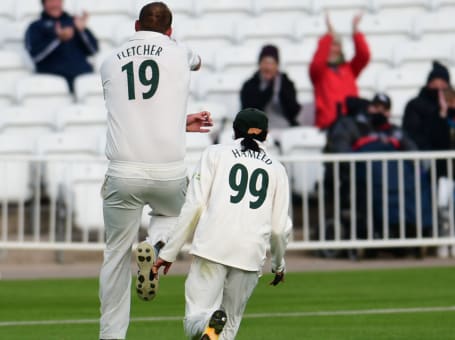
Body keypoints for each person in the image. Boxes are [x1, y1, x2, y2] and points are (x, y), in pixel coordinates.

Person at [98, 3, 212, 340]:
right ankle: (159, 245)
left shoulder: (109, 61)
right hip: (169, 170)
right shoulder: (179, 52)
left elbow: (132, 105)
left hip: (122, 170)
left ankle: (111, 336)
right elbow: (197, 62)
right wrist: (182, 122)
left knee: (115, 256)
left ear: (136, 25)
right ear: (171, 31)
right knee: (174, 212)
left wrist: (178, 121)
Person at [154, 108, 292, 340]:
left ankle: (207, 321)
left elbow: (195, 205)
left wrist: (169, 252)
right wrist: (278, 265)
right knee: (227, 331)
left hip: (212, 246)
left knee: (195, 320)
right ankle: (212, 325)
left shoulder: (215, 153)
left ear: (234, 131)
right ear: (266, 135)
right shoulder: (277, 169)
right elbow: (279, 229)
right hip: (249, 255)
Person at [309, 12, 370, 129]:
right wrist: (328, 36)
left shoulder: (350, 69)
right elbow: (317, 63)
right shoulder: (319, 72)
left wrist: (356, 32)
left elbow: (364, 55)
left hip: (351, 123)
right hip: (328, 125)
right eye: (330, 45)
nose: (332, 49)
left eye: (336, 45)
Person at [24, 0, 98, 92]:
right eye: (51, 1)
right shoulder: (36, 26)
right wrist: (58, 39)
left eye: (58, 0)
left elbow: (94, 50)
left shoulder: (75, 22)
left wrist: (81, 31)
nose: (55, 4)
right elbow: (36, 56)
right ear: (44, 3)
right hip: (52, 81)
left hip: (82, 76)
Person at [240, 45, 301, 129]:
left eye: (272, 63)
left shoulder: (286, 84)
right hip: (257, 129)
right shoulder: (250, 85)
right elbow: (248, 111)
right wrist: (268, 90)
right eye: (265, 62)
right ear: (260, 64)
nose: (268, 67)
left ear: (277, 65)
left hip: (285, 128)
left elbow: (294, 111)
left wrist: (281, 91)